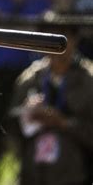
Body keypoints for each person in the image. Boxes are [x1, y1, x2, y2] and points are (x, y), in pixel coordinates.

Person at [6, 22, 93, 185]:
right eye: (48, 36)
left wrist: (64, 123)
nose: (53, 43)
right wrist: (27, 115)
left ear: (74, 39)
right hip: (33, 174)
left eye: (62, 35)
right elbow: (11, 128)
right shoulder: (30, 78)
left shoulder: (88, 79)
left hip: (74, 174)